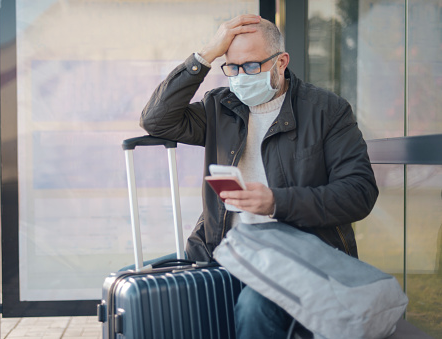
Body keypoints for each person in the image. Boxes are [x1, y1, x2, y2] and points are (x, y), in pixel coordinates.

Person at [140, 14, 379, 338]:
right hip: (224, 254)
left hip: (301, 260)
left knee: (254, 305)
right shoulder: (220, 106)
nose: (240, 77)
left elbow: (359, 193)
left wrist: (276, 202)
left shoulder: (327, 110)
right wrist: (205, 56)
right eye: (232, 67)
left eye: (251, 66)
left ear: (281, 62)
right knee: (149, 295)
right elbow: (157, 120)